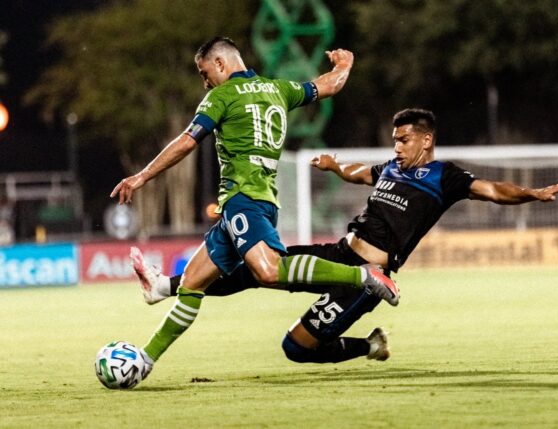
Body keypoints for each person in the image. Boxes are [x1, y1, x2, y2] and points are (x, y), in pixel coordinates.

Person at [131, 107, 558, 364]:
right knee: (257, 264)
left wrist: (534, 193)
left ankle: (370, 344)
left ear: (426, 140)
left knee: (296, 349)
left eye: (404, 139)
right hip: (339, 253)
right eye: (395, 139)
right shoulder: (389, 169)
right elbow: (359, 173)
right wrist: (334, 167)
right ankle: (166, 285)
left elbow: (495, 190)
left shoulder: (444, 177)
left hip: (368, 277)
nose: (396, 146)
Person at [110, 36, 399, 380]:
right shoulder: (278, 89)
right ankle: (146, 359)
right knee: (191, 285)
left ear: (220, 64)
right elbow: (326, 86)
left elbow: (188, 140)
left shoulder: (220, 97)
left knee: (269, 271)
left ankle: (362, 276)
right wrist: (344, 66)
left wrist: (142, 176)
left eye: (205, 73)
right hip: (259, 202)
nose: (205, 82)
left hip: (243, 202)